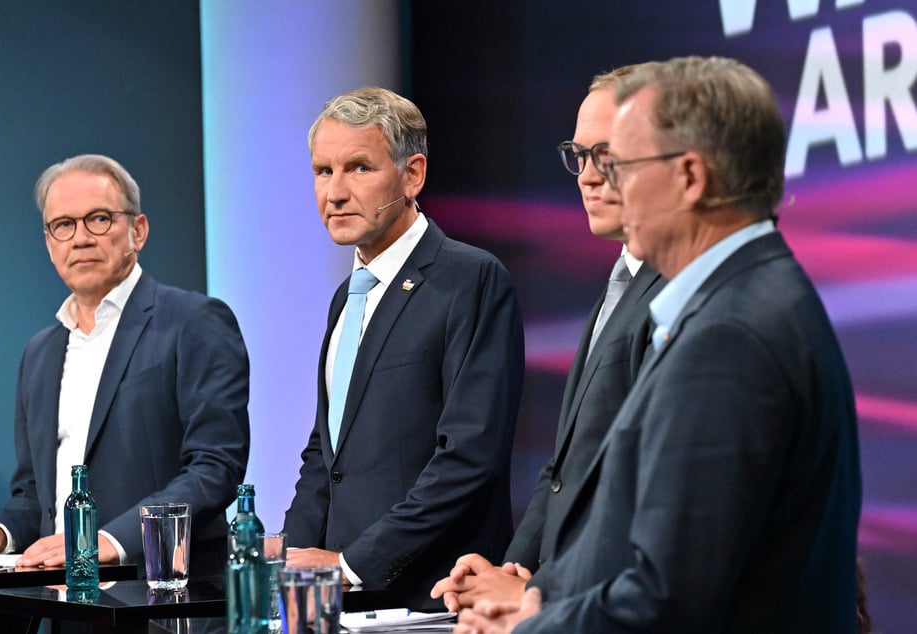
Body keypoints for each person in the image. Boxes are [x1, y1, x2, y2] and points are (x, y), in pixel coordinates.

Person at [457, 56, 861, 633]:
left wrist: (528, 629)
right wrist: (541, 599)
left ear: (691, 178)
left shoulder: (730, 336)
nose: (603, 181)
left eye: (620, 162)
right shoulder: (745, 297)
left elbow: (669, 596)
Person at [431, 66, 665, 611]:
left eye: (605, 154)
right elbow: (564, 470)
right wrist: (513, 567)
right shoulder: (620, 285)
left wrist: (536, 591)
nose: (585, 175)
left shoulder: (675, 293)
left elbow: (633, 489)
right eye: (578, 155)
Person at [283, 86, 525, 609]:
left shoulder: (470, 279)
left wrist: (351, 565)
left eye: (359, 169)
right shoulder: (345, 298)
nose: (336, 193)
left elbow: (467, 458)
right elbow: (326, 453)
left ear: (412, 174)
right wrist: (292, 556)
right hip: (342, 601)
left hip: (433, 598)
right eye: (323, 172)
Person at [0, 154, 250, 579]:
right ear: (48, 242)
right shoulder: (39, 354)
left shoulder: (194, 321)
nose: (80, 238)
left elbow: (215, 468)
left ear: (138, 230)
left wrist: (111, 541)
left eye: (98, 219)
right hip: (66, 603)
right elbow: (33, 495)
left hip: (163, 598)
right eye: (63, 225)